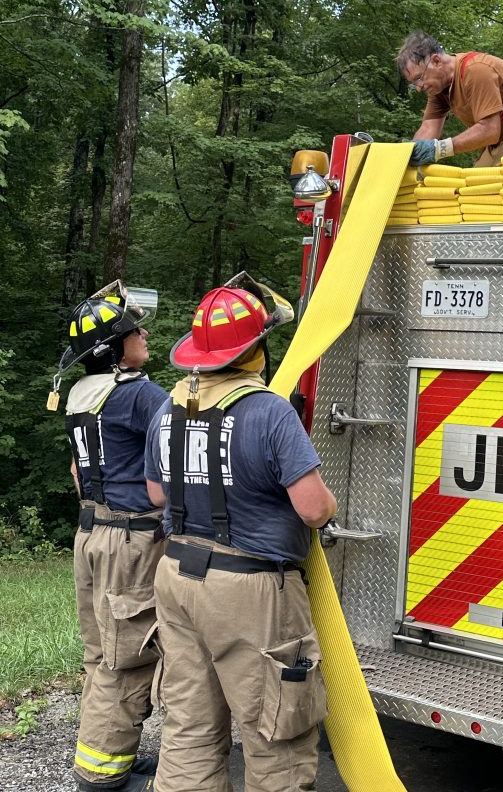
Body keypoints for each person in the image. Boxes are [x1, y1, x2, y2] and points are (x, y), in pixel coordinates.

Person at [144, 273, 337, 792]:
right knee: (275, 729)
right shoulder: (270, 411)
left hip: (176, 576)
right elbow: (315, 509)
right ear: (254, 351)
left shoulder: (169, 408)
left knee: (189, 721)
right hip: (249, 591)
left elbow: (157, 495)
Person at [49, 281, 167, 792]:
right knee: (129, 658)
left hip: (90, 533)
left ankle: (110, 755)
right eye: (132, 330)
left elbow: (79, 471)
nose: (143, 333)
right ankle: (102, 778)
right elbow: (168, 477)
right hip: (131, 541)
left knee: (101, 653)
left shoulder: (80, 395)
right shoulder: (140, 394)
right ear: (114, 349)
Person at [396, 30, 503, 166]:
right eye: (413, 83)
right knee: (475, 188)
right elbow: (428, 128)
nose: (419, 88)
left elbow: (489, 131)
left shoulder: (476, 69)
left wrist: (440, 149)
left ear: (436, 61)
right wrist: (408, 156)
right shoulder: (438, 88)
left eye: (419, 78)